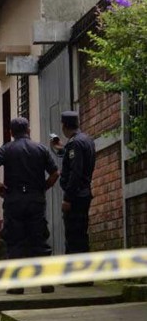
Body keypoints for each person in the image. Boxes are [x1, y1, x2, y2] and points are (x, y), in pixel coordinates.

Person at [0, 117, 60, 295]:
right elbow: (55, 173)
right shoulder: (40, 148)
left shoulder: (6, 149)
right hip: (35, 199)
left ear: (11, 133)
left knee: (15, 241)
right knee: (39, 240)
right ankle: (46, 282)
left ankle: (17, 285)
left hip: (14, 200)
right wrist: (43, 187)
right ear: (28, 130)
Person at [51, 111, 96, 286]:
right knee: (81, 234)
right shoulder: (86, 140)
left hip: (76, 196)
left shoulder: (75, 144)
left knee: (74, 235)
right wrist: (62, 149)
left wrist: (68, 198)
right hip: (84, 193)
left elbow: (76, 172)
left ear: (64, 125)